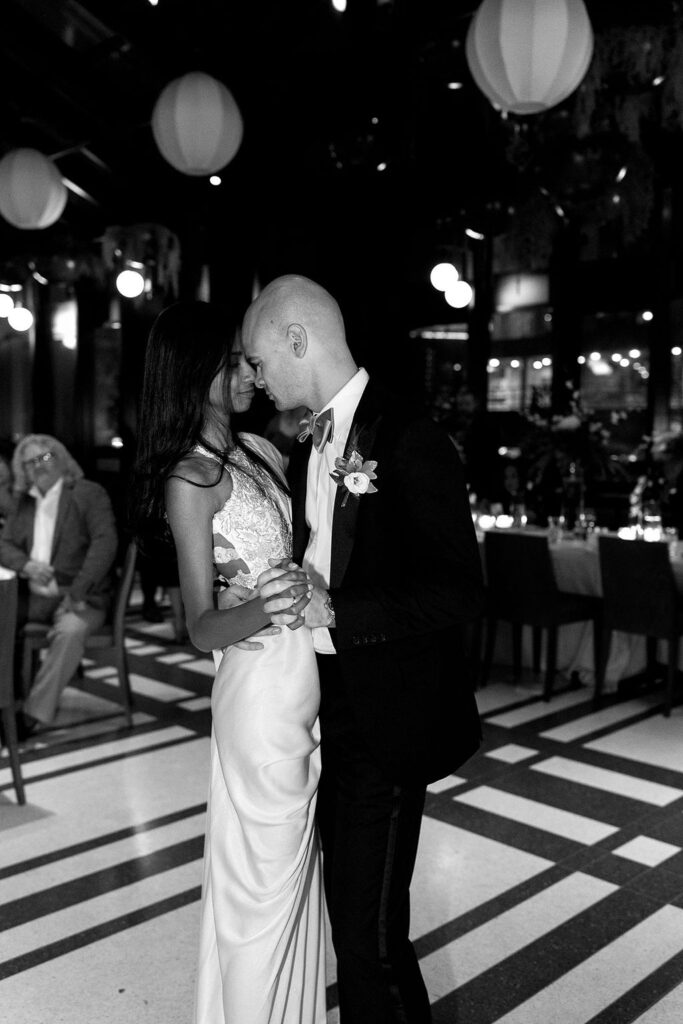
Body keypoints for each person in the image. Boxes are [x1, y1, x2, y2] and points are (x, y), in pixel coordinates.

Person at [242, 275, 484, 1024]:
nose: (255, 380)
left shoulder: (407, 434)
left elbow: (458, 590)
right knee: (353, 927)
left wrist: (336, 607)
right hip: (335, 709)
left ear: (295, 339)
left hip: (392, 714)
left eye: (258, 361)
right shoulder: (311, 442)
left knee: (367, 937)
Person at [131, 301, 326, 1024]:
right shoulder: (192, 477)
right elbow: (199, 626)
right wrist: (274, 600)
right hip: (257, 694)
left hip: (299, 675)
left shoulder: (260, 451)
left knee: (293, 879)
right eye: (237, 360)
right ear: (197, 369)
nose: (250, 371)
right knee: (263, 888)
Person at [0, 434, 118, 734]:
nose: (37, 466)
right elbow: (5, 545)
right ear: (21, 470)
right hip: (34, 598)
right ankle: (7, 702)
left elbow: (105, 544)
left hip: (82, 597)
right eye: (29, 462)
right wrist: (25, 565)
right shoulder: (22, 503)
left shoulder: (87, 493)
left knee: (69, 631)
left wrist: (77, 590)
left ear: (61, 457)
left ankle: (31, 714)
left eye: (45, 457)